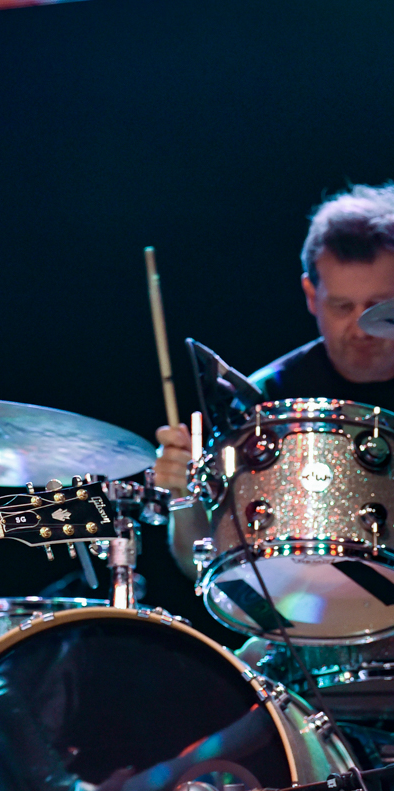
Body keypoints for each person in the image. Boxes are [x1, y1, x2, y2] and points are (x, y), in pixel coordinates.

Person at [157, 183, 394, 580]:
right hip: (302, 620)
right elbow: (201, 562)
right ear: (310, 295)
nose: (361, 327)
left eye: (377, 306)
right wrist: (182, 496)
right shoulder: (262, 401)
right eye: (342, 306)